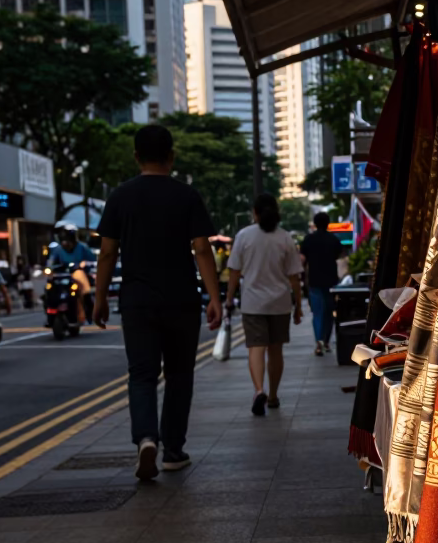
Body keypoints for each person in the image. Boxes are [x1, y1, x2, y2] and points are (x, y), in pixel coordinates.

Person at [93, 124, 222, 481]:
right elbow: (201, 248)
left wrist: (100, 297)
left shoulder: (120, 196)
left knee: (142, 374)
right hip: (181, 299)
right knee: (180, 375)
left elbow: (106, 253)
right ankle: (174, 451)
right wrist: (215, 297)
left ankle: (146, 438)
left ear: (136, 157)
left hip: (137, 300)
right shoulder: (187, 195)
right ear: (172, 156)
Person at [225, 194, 303, 416]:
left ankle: (259, 389)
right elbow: (294, 277)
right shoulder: (285, 238)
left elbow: (234, 272)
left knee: (256, 349)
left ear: (255, 213)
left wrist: (229, 298)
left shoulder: (243, 236)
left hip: (252, 303)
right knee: (275, 350)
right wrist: (298, 306)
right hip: (279, 303)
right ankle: (273, 395)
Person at [299, 211, 343, 356]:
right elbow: (339, 257)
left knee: (317, 312)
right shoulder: (334, 239)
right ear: (328, 223)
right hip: (331, 281)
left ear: (315, 224)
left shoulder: (308, 239)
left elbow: (302, 261)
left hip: (314, 281)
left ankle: (319, 341)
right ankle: (327, 342)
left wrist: (301, 278)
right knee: (329, 313)